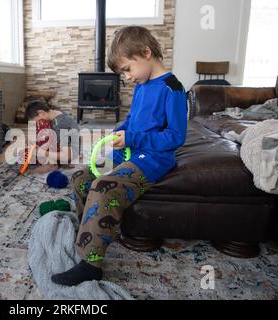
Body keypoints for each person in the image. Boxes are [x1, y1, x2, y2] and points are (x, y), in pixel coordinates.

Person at [51, 25, 188, 286]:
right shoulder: (142, 84)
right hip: (130, 151)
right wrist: (120, 131)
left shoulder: (173, 89)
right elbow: (133, 119)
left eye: (127, 69)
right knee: (80, 177)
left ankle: (90, 265)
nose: (126, 77)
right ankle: (89, 235)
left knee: (104, 186)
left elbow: (175, 137)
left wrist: (133, 138)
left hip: (153, 159)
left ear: (146, 53)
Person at [24, 100, 80, 173]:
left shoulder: (59, 125)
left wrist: (41, 152)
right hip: (68, 146)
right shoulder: (56, 113)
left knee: (36, 154)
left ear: (41, 113)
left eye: (37, 122)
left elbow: (67, 155)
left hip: (69, 154)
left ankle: (52, 165)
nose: (38, 125)